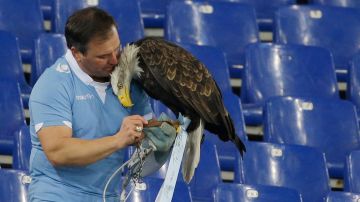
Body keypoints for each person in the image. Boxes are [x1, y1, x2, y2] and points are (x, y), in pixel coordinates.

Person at [28, 7, 174, 201]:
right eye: (103, 56)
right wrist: (118, 140)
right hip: (56, 195)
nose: (114, 60)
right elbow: (58, 152)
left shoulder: (129, 83)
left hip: (107, 196)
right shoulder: (53, 84)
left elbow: (139, 167)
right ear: (76, 53)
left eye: (117, 49)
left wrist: (161, 146)